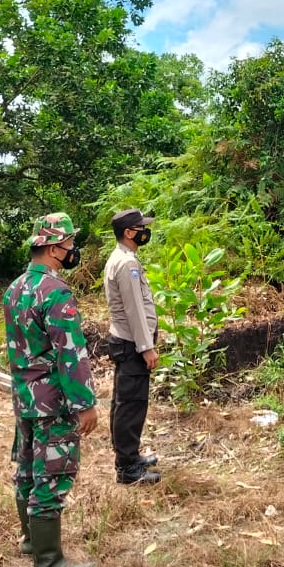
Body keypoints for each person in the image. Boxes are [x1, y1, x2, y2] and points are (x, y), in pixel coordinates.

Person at [4, 212, 99, 567]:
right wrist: (85, 404)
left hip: (24, 397)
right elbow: (70, 352)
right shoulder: (55, 292)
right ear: (55, 248)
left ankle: (31, 540)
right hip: (52, 402)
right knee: (52, 474)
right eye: (71, 244)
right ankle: (49, 561)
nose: (74, 250)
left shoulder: (14, 288)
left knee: (27, 469)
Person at [103, 207, 162, 485]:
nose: (144, 231)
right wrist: (146, 347)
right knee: (131, 404)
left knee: (125, 402)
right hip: (131, 343)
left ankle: (129, 456)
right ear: (129, 233)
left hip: (126, 341)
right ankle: (127, 469)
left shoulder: (124, 258)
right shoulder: (127, 264)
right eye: (140, 228)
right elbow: (134, 309)